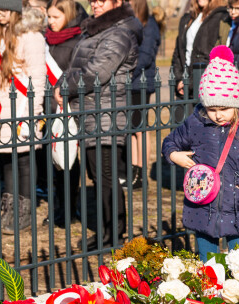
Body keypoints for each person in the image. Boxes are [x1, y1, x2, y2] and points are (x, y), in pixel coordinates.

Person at [162, 46, 239, 262]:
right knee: (209, 264)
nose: (217, 115)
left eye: (224, 109)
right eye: (211, 109)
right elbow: (170, 142)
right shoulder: (196, 123)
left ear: (236, 103)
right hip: (203, 208)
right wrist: (174, 155)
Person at [56, 0, 142, 250]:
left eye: (102, 0)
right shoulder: (97, 29)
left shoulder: (119, 32)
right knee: (98, 175)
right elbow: (76, 66)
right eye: (93, 0)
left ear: (117, 3)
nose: (95, 4)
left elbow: (96, 73)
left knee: (106, 176)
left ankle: (113, 234)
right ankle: (108, 230)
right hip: (90, 112)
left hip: (106, 113)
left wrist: (66, 86)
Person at [0, 0, 47, 235]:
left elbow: (37, 78)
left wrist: (32, 113)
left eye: (4, 9)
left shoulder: (31, 36)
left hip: (23, 106)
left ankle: (24, 212)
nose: (0, 14)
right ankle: (10, 210)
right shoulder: (0, 33)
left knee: (23, 161)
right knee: (6, 160)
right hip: (4, 106)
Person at [42, 0, 88, 227]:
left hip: (68, 109)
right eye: (48, 17)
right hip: (46, 110)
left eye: (55, 17)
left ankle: (70, 208)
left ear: (68, 16)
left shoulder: (79, 41)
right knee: (53, 162)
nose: (50, 22)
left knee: (69, 161)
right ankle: (59, 206)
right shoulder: (46, 40)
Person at [120, 0, 165, 190]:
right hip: (129, 83)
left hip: (140, 83)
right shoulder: (130, 23)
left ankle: (141, 173)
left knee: (140, 129)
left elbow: (145, 57)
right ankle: (132, 169)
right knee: (130, 129)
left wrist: (125, 73)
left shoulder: (149, 25)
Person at [171, 0, 230, 99]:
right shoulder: (188, 18)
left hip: (204, 85)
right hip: (183, 83)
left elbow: (210, 55)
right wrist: (178, 79)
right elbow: (178, 53)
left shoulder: (220, 17)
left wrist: (191, 82)